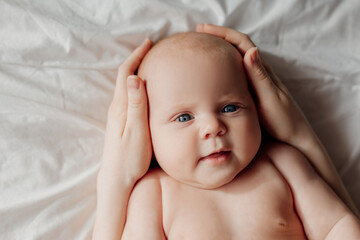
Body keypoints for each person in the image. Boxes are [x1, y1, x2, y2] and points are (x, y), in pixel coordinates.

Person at [92, 24, 360, 239]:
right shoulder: (154, 194)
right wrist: (115, 179)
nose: (212, 127)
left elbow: (336, 225)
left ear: (257, 106)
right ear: (147, 132)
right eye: (184, 117)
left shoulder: (283, 164)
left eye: (230, 108)